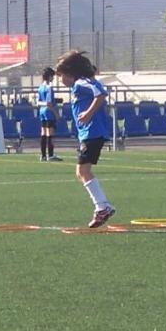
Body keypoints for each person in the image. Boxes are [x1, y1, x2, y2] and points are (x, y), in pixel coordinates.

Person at [55, 50, 115, 227]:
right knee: (81, 172)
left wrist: (88, 113)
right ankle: (102, 206)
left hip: (92, 133)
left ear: (70, 73)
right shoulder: (78, 86)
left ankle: (102, 207)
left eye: (61, 75)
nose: (60, 80)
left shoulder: (82, 83)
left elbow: (101, 94)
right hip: (88, 133)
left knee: (82, 171)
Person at [36, 67, 62, 162]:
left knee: (43, 133)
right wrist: (56, 114)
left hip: (42, 111)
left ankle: (43, 155)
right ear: (50, 76)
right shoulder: (49, 87)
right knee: (50, 134)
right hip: (49, 111)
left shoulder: (40, 87)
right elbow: (49, 103)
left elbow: (38, 102)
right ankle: (50, 155)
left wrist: (44, 104)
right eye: (53, 76)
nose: (53, 78)